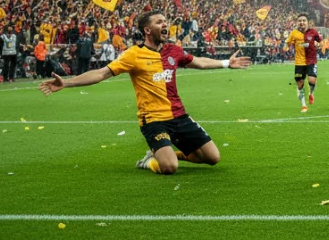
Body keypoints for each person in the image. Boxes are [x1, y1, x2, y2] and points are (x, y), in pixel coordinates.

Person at [38, 10, 251, 175]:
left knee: (213, 158)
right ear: (147, 30)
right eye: (159, 22)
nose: (165, 25)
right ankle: (150, 160)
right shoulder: (134, 55)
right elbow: (102, 73)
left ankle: (166, 153)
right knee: (169, 168)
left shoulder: (173, 51)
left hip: (179, 116)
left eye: (165, 21)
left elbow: (199, 62)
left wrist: (226, 63)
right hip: (153, 120)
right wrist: (67, 83)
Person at [285, 14, 321, 113]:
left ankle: (311, 93)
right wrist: (288, 45)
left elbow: (319, 41)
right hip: (299, 62)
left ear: (308, 22)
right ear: (297, 22)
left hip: (311, 60)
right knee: (300, 84)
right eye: (300, 21)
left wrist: (317, 44)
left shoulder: (313, 32)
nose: (302, 22)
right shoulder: (294, 33)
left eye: (304, 20)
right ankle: (304, 105)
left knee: (312, 81)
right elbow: (288, 43)